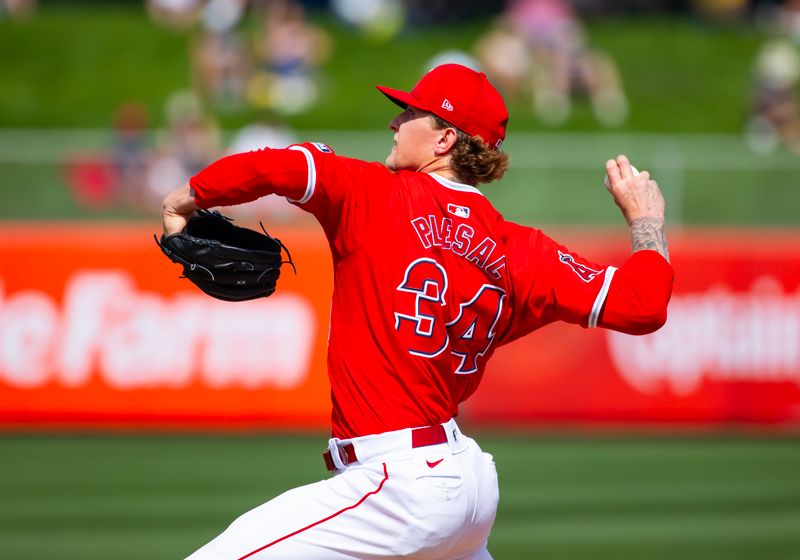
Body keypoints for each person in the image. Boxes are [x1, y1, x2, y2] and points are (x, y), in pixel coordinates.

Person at [161, 63, 673, 559]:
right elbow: (642, 305)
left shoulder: (374, 194)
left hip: (396, 486)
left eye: (409, 112)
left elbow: (283, 164)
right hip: (464, 487)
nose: (394, 121)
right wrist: (645, 221)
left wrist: (187, 198)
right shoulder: (522, 251)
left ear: (444, 139)